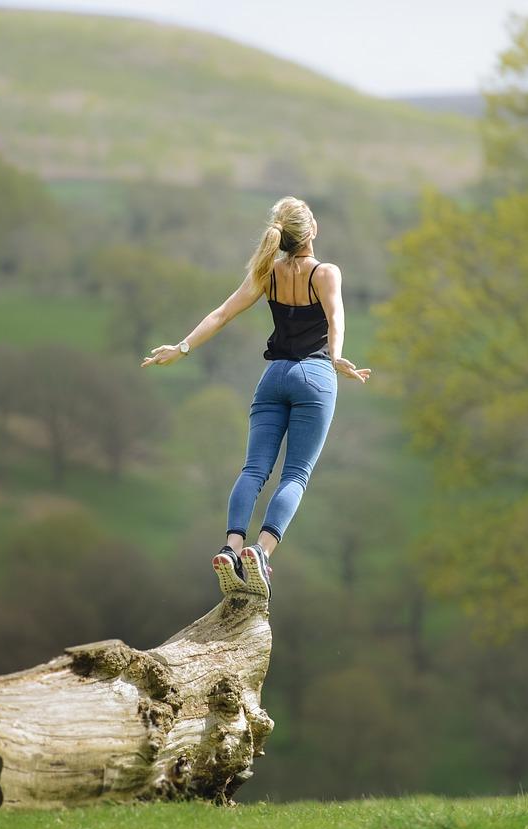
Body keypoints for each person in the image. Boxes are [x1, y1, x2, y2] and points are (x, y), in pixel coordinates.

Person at [141, 196, 371, 600]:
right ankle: (260, 553)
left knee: (253, 470)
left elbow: (222, 314)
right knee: (295, 474)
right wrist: (335, 357)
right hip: (314, 378)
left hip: (273, 379)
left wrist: (182, 349)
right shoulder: (326, 273)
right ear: (311, 231)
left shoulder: (269, 273)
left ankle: (230, 548)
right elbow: (336, 317)